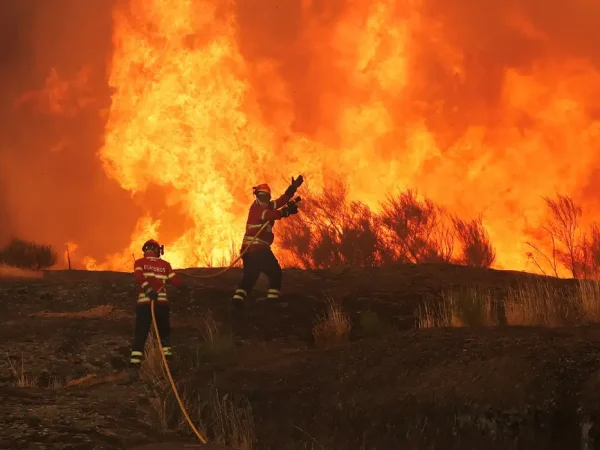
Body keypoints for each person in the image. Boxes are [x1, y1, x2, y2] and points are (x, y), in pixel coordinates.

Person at [231, 175, 304, 308]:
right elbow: (273, 215)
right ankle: (272, 302)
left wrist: (293, 188)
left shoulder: (266, 206)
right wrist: (286, 212)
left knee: (250, 278)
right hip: (258, 251)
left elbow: (281, 201)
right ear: (257, 197)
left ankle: (237, 302)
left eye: (267, 197)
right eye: (262, 197)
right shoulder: (257, 210)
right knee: (275, 272)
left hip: (250, 251)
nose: (265, 200)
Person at [129, 239, 182, 368]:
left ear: (145, 250)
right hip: (161, 305)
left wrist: (147, 289)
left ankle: (135, 365)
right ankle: (168, 362)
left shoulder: (139, 262)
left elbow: (139, 277)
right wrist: (181, 284)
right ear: (157, 250)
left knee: (141, 333)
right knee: (164, 333)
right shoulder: (165, 264)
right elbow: (176, 281)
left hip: (144, 305)